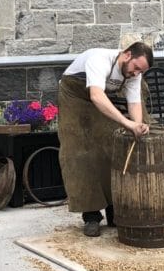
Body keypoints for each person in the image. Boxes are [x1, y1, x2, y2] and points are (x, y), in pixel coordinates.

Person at [57, 42, 154, 237]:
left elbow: (134, 102)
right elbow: (96, 95)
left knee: (112, 148)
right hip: (75, 96)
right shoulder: (98, 59)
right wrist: (125, 122)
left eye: (140, 71)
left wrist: (138, 125)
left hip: (100, 99)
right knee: (81, 153)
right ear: (126, 55)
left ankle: (113, 210)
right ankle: (91, 216)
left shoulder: (134, 73)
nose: (136, 74)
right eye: (136, 68)